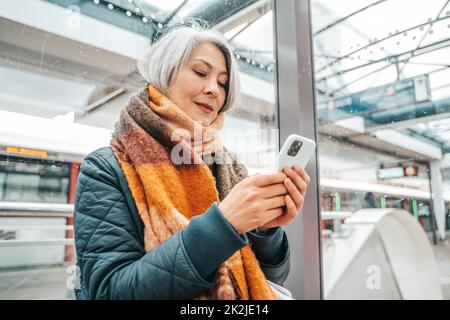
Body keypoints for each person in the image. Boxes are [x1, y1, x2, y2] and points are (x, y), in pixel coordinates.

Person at [73, 23, 310, 300]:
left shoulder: (229, 167)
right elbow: (109, 292)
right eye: (200, 72)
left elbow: (269, 278)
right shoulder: (106, 169)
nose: (214, 90)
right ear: (165, 73)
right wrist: (224, 226)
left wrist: (266, 231)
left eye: (222, 83)